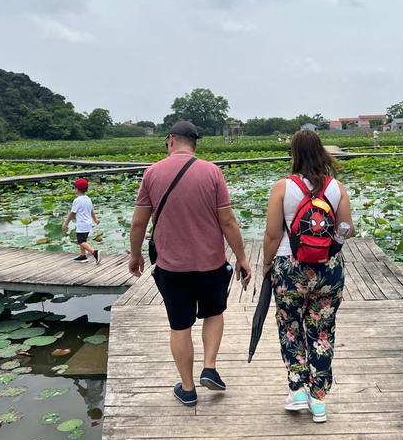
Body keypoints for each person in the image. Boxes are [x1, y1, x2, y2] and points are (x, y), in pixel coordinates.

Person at [128, 121, 252, 407]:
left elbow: (138, 221)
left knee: (180, 326)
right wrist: (241, 257)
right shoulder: (212, 172)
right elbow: (228, 220)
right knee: (213, 313)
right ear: (196, 144)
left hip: (171, 267)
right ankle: (209, 367)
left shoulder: (152, 173)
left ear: (170, 140)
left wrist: (136, 255)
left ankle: (187, 388)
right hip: (211, 263)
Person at [262, 130, 353, 423]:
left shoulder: (282, 188)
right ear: (321, 152)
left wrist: (266, 264)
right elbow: (347, 228)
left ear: (294, 153)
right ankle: (319, 399)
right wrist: (331, 246)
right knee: (322, 331)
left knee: (290, 327)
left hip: (290, 269)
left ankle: (298, 390)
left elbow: (273, 234)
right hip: (329, 270)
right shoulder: (336, 187)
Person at [62, 178, 100, 264]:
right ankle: (83, 256)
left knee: (81, 241)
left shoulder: (77, 200)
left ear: (77, 189)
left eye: (74, 187)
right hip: (88, 223)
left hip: (82, 224)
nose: (74, 189)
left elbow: (72, 213)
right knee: (83, 240)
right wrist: (95, 219)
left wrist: (66, 223)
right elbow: (91, 210)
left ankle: (94, 252)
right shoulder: (88, 199)